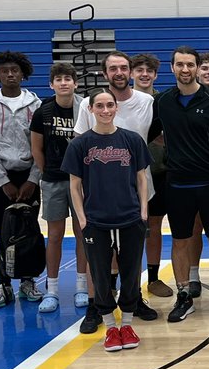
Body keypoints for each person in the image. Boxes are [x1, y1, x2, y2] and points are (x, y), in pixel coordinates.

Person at [152, 46, 209, 322]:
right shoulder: (163, 101)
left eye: (190, 64)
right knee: (180, 241)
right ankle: (184, 296)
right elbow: (148, 134)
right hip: (177, 184)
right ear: (172, 67)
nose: (185, 69)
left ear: (198, 68)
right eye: (180, 64)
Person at [63, 89, 151, 350]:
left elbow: (141, 179)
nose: (104, 110)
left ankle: (127, 324)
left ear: (116, 109)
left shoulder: (132, 140)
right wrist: (81, 218)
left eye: (109, 105)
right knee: (101, 275)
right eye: (99, 106)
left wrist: (143, 212)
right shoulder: (80, 145)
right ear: (90, 110)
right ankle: (111, 328)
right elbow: (74, 185)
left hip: (130, 217)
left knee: (132, 272)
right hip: (96, 221)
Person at [75, 50, 157, 318]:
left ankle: (133, 299)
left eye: (124, 68)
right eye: (113, 69)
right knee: (98, 255)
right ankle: (96, 303)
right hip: (98, 192)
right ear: (105, 73)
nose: (119, 73)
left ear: (130, 71)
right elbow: (78, 148)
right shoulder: (89, 103)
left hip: (137, 188)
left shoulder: (147, 101)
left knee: (132, 253)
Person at [0, 50, 43, 309]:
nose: (10, 74)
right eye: (4, 71)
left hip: (29, 178)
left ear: (23, 73)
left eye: (15, 70)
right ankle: (3, 284)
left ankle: (28, 281)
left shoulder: (36, 105)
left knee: (28, 232)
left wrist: (33, 179)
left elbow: (41, 146)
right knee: (1, 233)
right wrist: (3, 181)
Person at [29, 62, 88, 313]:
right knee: (54, 236)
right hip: (54, 179)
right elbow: (36, 149)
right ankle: (51, 290)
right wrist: (47, 173)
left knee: (83, 234)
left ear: (75, 83)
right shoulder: (43, 111)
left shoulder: (85, 107)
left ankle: (82, 287)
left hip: (82, 181)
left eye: (68, 78)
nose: (64, 83)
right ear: (51, 84)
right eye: (58, 79)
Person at [130, 53, 173, 299]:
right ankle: (129, 281)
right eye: (139, 70)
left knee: (155, 225)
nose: (144, 74)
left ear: (156, 75)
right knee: (133, 230)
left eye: (149, 70)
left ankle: (154, 278)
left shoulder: (163, 101)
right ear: (132, 73)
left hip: (162, 172)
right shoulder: (120, 102)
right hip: (131, 177)